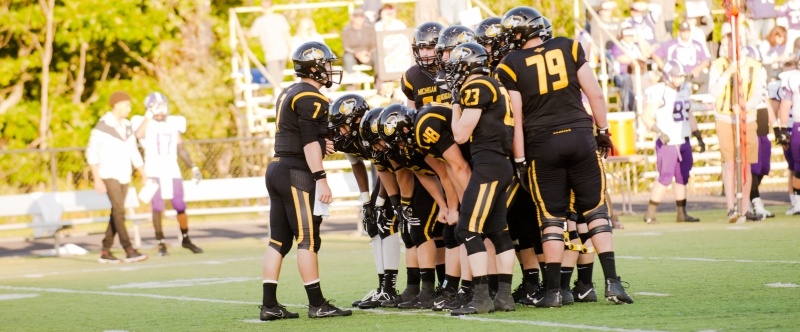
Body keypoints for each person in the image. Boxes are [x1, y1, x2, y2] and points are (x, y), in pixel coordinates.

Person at [495, 6, 634, 307]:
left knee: (552, 220)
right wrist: (603, 130)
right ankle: (612, 282)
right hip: (581, 136)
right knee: (596, 212)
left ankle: (555, 291)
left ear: (521, 34)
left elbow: (516, 118)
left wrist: (519, 159)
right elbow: (595, 93)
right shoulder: (569, 46)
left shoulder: (510, 64)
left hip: (542, 144)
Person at [259, 41, 350, 320]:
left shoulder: (290, 91)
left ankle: (269, 306)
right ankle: (317, 303)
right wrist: (321, 178)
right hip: (297, 172)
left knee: (278, 241)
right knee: (308, 239)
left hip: (277, 167)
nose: (330, 68)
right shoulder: (311, 97)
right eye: (327, 64)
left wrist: (321, 142)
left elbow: (301, 135)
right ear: (315, 66)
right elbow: (309, 141)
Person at [446, 42, 516, 315]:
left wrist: (454, 103)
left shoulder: (476, 87)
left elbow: (460, 135)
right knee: (499, 232)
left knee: (467, 229)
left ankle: (482, 297)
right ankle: (504, 297)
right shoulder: (493, 84)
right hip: (500, 164)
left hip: (489, 165)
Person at [133, 92, 204, 256]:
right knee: (157, 207)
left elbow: (180, 148)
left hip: (172, 170)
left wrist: (192, 166)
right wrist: (149, 115)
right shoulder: (144, 122)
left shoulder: (173, 123)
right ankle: (161, 243)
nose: (161, 111)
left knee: (180, 205)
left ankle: (186, 238)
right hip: (153, 170)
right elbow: (138, 135)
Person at [709, 32, 767, 222]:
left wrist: (743, 107)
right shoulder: (718, 65)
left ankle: (744, 208)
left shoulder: (754, 66)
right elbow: (714, 91)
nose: (725, 50)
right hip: (725, 118)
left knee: (746, 164)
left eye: (728, 46)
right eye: (723, 46)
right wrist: (728, 73)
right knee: (729, 162)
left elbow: (757, 94)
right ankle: (730, 208)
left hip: (746, 118)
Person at [86, 91, 148, 263]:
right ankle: (128, 249)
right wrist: (97, 179)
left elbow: (134, 152)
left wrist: (143, 173)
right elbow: (91, 154)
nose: (129, 108)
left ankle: (105, 250)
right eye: (126, 105)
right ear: (117, 105)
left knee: (117, 212)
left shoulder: (127, 126)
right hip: (108, 174)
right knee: (120, 210)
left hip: (124, 174)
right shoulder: (103, 126)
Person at [641, 61, 705, 224]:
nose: (680, 79)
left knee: (682, 176)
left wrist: (697, 134)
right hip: (668, 141)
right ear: (668, 76)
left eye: (682, 76)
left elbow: (689, 114)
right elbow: (646, 116)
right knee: (665, 177)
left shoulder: (684, 90)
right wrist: (659, 132)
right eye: (677, 76)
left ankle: (681, 213)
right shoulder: (660, 92)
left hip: (683, 139)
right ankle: (650, 213)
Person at [652, 21, 711, 89]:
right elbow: (655, 55)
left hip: (692, 75)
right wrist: (666, 68)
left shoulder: (697, 44)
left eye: (687, 31)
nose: (686, 33)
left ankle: (698, 97)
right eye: (683, 31)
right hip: (675, 76)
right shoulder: (671, 45)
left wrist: (698, 69)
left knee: (708, 78)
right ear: (679, 32)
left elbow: (706, 60)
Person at [249, 0, 291, 92]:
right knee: (275, 77)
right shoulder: (260, 21)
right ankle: (279, 95)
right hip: (271, 52)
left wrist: (291, 50)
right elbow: (252, 33)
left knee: (278, 76)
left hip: (282, 51)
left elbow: (287, 35)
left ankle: (279, 96)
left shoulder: (279, 18)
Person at [611, 22, 652, 113]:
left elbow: (647, 55)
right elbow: (622, 59)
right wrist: (638, 59)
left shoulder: (636, 46)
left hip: (639, 74)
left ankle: (647, 109)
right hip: (623, 74)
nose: (629, 37)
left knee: (649, 79)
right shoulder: (617, 46)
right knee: (629, 81)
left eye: (631, 35)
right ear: (622, 35)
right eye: (627, 35)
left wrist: (640, 41)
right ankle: (628, 109)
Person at [342, 9, 377, 74]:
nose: (359, 19)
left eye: (361, 17)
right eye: (356, 17)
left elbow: (374, 45)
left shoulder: (370, 29)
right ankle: (350, 82)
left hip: (368, 54)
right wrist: (358, 54)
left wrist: (368, 53)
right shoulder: (346, 30)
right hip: (353, 55)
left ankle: (380, 80)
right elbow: (346, 47)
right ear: (352, 17)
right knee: (347, 57)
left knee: (377, 56)